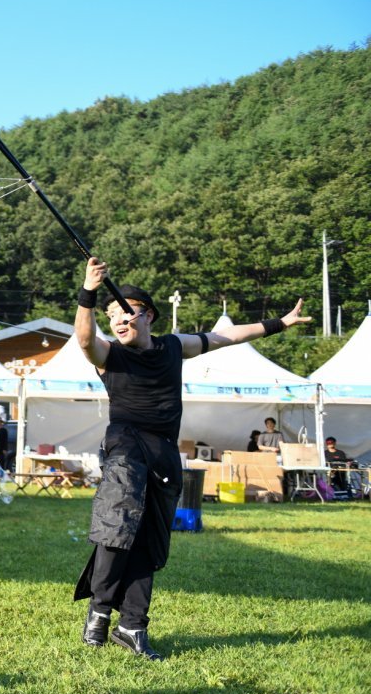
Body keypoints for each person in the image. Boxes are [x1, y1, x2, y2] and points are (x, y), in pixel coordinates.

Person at [73, 256, 310, 660]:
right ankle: (99, 610)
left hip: (164, 452)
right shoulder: (110, 355)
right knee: (117, 527)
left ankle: (132, 626)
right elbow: (83, 339)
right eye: (111, 316)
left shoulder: (173, 347)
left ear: (147, 316)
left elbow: (227, 337)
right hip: (126, 446)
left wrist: (280, 324)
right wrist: (89, 292)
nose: (118, 321)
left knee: (150, 541)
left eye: (125, 314)